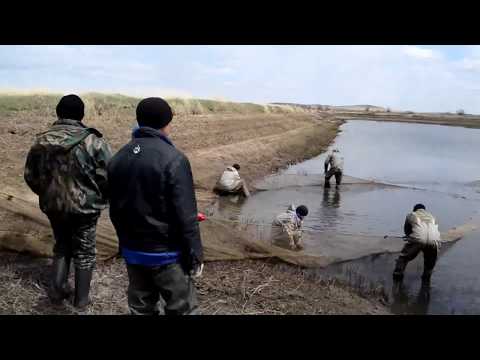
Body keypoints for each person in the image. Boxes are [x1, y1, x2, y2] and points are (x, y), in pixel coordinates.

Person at [107, 97, 203, 315]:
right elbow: (186, 214)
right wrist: (196, 254)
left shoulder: (118, 158)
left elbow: (115, 208)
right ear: (167, 122)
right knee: (182, 309)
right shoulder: (174, 159)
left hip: (133, 252)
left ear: (139, 121)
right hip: (167, 255)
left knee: (141, 309)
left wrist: (125, 244)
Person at [24, 94, 112, 310]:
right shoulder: (94, 141)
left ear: (58, 113)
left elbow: (30, 175)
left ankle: (57, 291)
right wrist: (100, 196)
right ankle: (81, 301)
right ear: (82, 115)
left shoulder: (40, 141)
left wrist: (48, 194)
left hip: (54, 206)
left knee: (62, 246)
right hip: (86, 209)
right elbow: (109, 175)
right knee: (84, 252)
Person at [393, 204, 441, 282]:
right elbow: (434, 230)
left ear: (414, 210)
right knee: (430, 262)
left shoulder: (411, 215)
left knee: (403, 257)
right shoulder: (432, 217)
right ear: (424, 210)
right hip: (434, 240)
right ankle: (426, 281)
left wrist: (408, 236)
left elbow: (407, 230)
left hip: (418, 239)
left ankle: (397, 277)